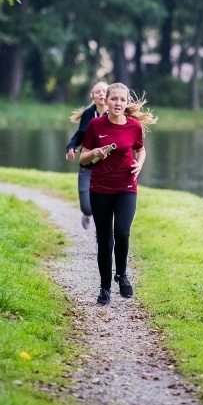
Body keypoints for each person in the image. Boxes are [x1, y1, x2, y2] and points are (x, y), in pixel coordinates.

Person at [79, 83, 157, 305]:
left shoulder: (134, 126)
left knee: (122, 232)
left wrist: (139, 164)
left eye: (122, 100)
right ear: (106, 100)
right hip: (100, 188)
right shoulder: (95, 124)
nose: (118, 103)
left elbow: (140, 149)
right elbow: (83, 158)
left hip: (126, 187)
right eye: (114, 99)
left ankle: (121, 275)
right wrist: (94, 152)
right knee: (104, 240)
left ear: (126, 102)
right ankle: (104, 288)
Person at [65, 81, 108, 230]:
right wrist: (71, 147)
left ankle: (101, 240)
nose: (101, 94)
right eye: (98, 92)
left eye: (104, 91)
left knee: (104, 207)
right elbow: (80, 134)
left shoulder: (115, 113)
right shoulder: (88, 114)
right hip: (88, 165)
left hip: (107, 166)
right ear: (93, 96)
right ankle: (87, 214)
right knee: (87, 207)